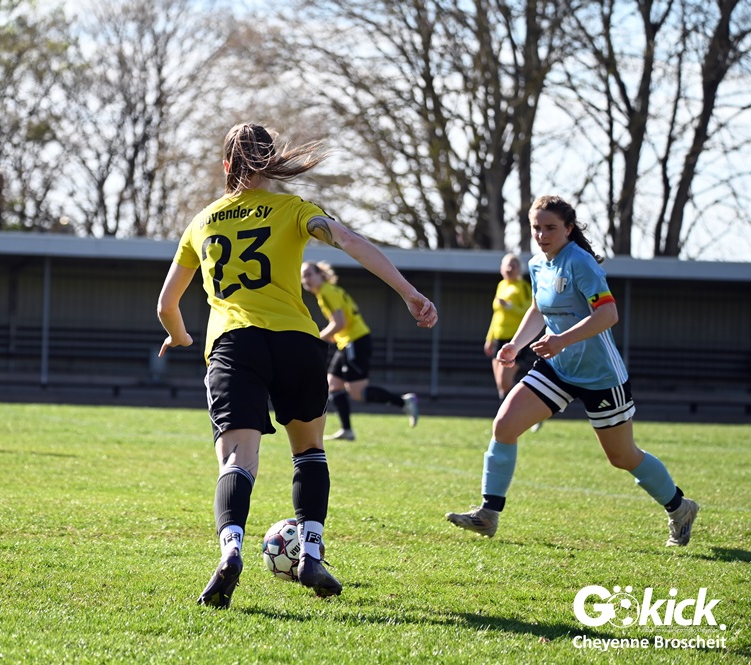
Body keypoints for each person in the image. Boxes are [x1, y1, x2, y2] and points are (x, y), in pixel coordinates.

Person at [157, 123, 437, 608]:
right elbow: (349, 240)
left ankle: (231, 551)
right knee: (309, 452)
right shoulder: (295, 209)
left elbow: (166, 304)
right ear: (273, 161)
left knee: (237, 460)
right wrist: (409, 293)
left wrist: (179, 336)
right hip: (297, 342)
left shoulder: (202, 222)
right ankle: (310, 552)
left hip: (234, 345)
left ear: (226, 166)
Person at [445, 195, 698, 546]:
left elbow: (608, 315)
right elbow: (538, 309)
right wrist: (516, 345)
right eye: (536, 228)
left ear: (568, 228)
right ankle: (488, 514)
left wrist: (561, 340)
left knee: (622, 456)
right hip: (557, 368)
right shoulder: (537, 265)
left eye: (550, 228)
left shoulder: (580, 262)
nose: (542, 235)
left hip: (600, 375)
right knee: (504, 425)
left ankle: (680, 507)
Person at [300, 260, 420, 441]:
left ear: (320, 275)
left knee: (357, 392)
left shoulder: (326, 292)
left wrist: (317, 338)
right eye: (303, 277)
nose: (306, 280)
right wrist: (332, 334)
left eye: (309, 274)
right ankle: (347, 430)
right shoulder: (329, 290)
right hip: (348, 342)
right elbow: (342, 322)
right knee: (333, 385)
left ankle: (403, 402)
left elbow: (339, 323)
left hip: (355, 341)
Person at [484, 253, 532, 400]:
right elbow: (496, 315)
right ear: (501, 268)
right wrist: (490, 338)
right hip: (499, 337)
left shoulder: (523, 287)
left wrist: (509, 306)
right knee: (501, 384)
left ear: (519, 269)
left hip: (514, 339)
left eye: (514, 266)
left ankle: (531, 401)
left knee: (504, 382)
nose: (510, 269)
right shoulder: (501, 285)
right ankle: (510, 410)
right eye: (507, 265)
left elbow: (529, 311)